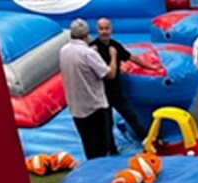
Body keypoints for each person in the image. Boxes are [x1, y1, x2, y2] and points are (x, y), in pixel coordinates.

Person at [91, 18, 162, 154]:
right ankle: (111, 148)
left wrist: (151, 66)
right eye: (101, 29)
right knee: (107, 122)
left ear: (111, 29)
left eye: (107, 28)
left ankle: (147, 140)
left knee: (131, 116)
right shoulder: (93, 48)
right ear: (98, 30)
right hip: (101, 93)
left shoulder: (114, 45)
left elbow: (131, 57)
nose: (104, 32)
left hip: (116, 90)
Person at [60, 19, 119, 160]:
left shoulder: (64, 51)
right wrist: (113, 57)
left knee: (88, 145)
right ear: (86, 35)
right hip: (94, 106)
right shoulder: (89, 54)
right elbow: (109, 74)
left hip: (76, 107)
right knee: (101, 147)